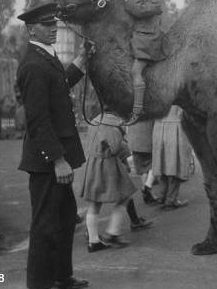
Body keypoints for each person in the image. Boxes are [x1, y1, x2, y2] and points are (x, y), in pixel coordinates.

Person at [16, 3, 90, 289]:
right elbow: (38, 119)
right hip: (46, 161)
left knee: (63, 217)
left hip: (54, 157)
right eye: (47, 25)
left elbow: (58, 87)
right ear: (32, 29)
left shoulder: (46, 57)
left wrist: (81, 62)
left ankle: (61, 277)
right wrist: (58, 160)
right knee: (45, 224)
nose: (53, 28)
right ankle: (38, 285)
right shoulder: (33, 64)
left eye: (55, 24)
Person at [80, 111, 140, 252]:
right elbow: (115, 148)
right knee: (125, 196)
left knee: (94, 202)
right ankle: (113, 232)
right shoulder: (116, 124)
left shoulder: (94, 120)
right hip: (108, 164)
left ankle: (93, 240)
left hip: (93, 162)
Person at [125, 0, 165, 122]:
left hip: (148, 40)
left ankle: (138, 110)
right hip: (136, 38)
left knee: (135, 71)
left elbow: (141, 11)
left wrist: (128, 4)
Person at [152, 106, 192, 210]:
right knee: (176, 163)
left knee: (162, 163)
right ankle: (171, 200)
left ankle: (162, 196)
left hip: (159, 127)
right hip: (176, 128)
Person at [127, 120, 160, 205]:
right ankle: (147, 187)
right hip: (148, 142)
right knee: (155, 164)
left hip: (134, 143)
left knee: (143, 169)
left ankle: (147, 196)